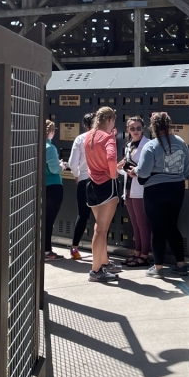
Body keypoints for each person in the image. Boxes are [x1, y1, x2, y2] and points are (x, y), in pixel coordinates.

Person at [135, 112, 189, 278]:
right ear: (169, 125)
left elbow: (144, 172)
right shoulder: (181, 143)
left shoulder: (151, 146)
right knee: (172, 226)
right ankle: (181, 264)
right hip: (177, 189)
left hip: (155, 190)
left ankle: (158, 267)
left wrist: (134, 171)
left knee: (157, 228)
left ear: (152, 128)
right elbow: (186, 168)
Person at [83, 107, 121, 283]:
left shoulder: (88, 136)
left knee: (99, 227)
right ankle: (96, 270)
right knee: (101, 229)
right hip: (106, 185)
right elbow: (111, 158)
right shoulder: (108, 138)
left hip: (91, 185)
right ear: (110, 120)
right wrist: (113, 174)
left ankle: (103, 262)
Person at [119, 116, 152, 267]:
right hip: (129, 188)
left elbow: (149, 169)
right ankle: (137, 252)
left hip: (140, 189)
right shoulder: (128, 145)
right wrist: (120, 169)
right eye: (132, 129)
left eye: (138, 128)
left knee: (142, 223)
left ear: (143, 129)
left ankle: (144, 255)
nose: (135, 131)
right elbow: (125, 169)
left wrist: (136, 172)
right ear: (128, 130)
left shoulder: (148, 145)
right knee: (134, 223)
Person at [67, 112, 94, 260]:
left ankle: (74, 248)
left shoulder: (80, 138)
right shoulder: (103, 137)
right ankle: (101, 252)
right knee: (100, 218)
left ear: (84, 125)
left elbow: (72, 162)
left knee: (82, 215)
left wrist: (77, 175)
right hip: (100, 181)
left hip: (84, 180)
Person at [44, 120, 64, 262]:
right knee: (49, 220)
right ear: (50, 132)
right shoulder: (49, 148)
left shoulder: (36, 146)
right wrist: (61, 165)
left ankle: (43, 249)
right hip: (53, 186)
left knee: (44, 219)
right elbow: (54, 169)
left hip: (42, 186)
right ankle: (47, 250)